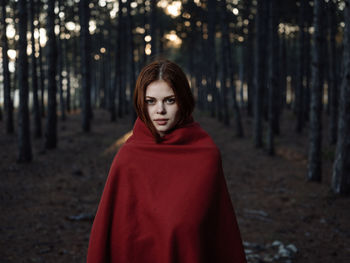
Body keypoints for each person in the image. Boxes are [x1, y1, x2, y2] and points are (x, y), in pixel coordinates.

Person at [86, 59, 247, 263]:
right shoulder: (129, 156)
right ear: (140, 103)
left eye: (169, 100)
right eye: (150, 101)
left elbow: (218, 234)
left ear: (184, 101)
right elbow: (113, 234)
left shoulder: (206, 155)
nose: (159, 110)